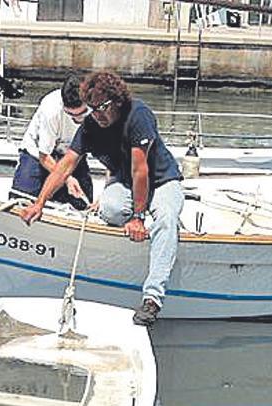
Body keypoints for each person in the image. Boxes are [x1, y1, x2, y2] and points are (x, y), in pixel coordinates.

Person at [19, 71, 183, 327]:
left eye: (102, 108)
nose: (98, 115)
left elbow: (141, 170)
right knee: (110, 210)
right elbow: (65, 166)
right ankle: (138, 212)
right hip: (126, 182)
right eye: (93, 110)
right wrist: (39, 203)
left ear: (116, 101)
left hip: (163, 180)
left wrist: (139, 218)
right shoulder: (90, 127)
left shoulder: (138, 114)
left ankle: (152, 299)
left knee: (166, 219)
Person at [11, 74, 93, 209]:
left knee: (83, 205)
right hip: (38, 154)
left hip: (72, 155)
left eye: (82, 113)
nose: (78, 119)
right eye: (71, 115)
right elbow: (44, 156)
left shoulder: (97, 108)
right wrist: (66, 178)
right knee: (22, 200)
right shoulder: (51, 109)